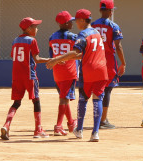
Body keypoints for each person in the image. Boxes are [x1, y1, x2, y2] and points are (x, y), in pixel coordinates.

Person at [46, 9, 109, 142]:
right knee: (97, 99)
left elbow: (75, 52)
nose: (75, 23)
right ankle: (95, 133)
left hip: (88, 70)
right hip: (102, 69)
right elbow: (83, 54)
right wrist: (65, 58)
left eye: (76, 21)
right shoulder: (97, 32)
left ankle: (79, 130)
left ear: (82, 20)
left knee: (83, 99)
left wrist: (56, 59)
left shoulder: (83, 34)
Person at [0, 17, 49, 140]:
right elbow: (37, 59)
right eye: (35, 26)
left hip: (16, 76)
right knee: (36, 101)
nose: (37, 29)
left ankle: (6, 125)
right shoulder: (32, 40)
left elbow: (13, 56)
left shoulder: (15, 40)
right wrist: (52, 60)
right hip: (29, 75)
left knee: (16, 103)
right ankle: (38, 130)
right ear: (28, 28)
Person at [91, 0, 126, 129]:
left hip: (94, 59)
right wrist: (123, 63)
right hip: (108, 60)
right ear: (111, 11)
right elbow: (118, 46)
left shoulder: (92, 25)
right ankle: (103, 120)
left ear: (100, 10)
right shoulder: (113, 26)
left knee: (97, 90)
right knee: (107, 89)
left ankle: (97, 118)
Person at [48, 11, 78, 136]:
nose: (72, 23)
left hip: (57, 72)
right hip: (69, 72)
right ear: (65, 23)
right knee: (64, 99)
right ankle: (58, 126)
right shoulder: (73, 37)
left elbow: (52, 55)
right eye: (70, 21)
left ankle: (71, 122)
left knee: (64, 97)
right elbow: (77, 53)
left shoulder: (52, 37)